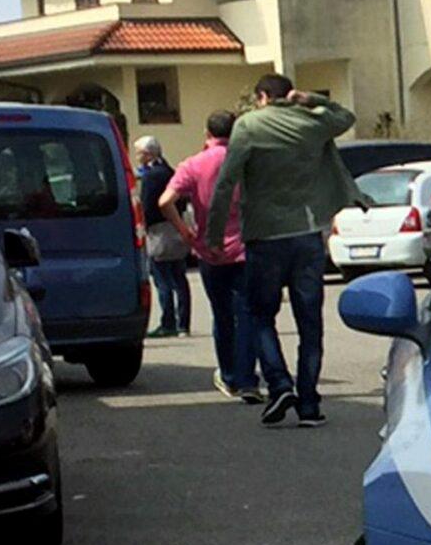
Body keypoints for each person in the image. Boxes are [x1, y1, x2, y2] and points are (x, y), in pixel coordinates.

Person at [205, 74, 361, 427]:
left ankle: (279, 383)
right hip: (306, 233)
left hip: (264, 236)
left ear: (262, 96)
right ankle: (309, 404)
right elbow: (346, 117)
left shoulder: (247, 126)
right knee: (310, 323)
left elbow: (226, 181)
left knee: (260, 315)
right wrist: (311, 101)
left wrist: (214, 235)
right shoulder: (311, 122)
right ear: (288, 95)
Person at [160, 111, 260, 404]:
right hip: (245, 246)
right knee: (247, 314)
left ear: (207, 133)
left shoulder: (193, 164)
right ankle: (248, 379)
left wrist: (184, 230)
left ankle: (228, 375)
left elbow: (165, 201)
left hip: (209, 249)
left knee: (222, 314)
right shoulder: (247, 161)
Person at [135, 136, 192, 338]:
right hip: (175, 227)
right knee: (180, 278)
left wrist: (144, 226)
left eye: (139, 153)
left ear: (148, 154)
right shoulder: (170, 171)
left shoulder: (151, 177)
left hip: (159, 231)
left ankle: (168, 322)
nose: (137, 157)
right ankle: (183, 323)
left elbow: (148, 205)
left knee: (162, 279)